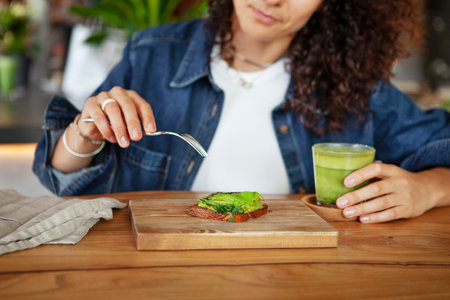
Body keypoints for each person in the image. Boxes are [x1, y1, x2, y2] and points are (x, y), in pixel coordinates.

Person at [33, 0, 450, 223]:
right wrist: (82, 133)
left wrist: (427, 190)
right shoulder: (152, 54)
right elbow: (61, 180)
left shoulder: (355, 83)